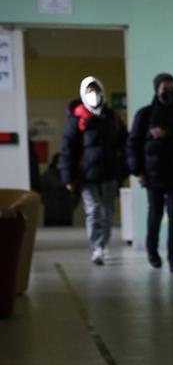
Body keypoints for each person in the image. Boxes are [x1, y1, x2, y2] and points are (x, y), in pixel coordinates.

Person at [129, 73, 173, 273]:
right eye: (164, 89)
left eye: (171, 88)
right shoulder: (144, 114)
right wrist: (138, 171)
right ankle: (152, 252)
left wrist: (168, 135)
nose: (168, 92)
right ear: (157, 90)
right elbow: (133, 144)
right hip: (151, 175)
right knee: (155, 214)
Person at [60, 77, 126, 265]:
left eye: (96, 90)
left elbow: (125, 143)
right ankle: (96, 247)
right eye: (89, 91)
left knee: (108, 212)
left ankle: (103, 245)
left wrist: (125, 169)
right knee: (94, 210)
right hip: (86, 176)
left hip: (110, 173)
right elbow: (67, 149)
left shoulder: (112, 117)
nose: (93, 94)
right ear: (83, 94)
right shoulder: (77, 118)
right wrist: (68, 177)